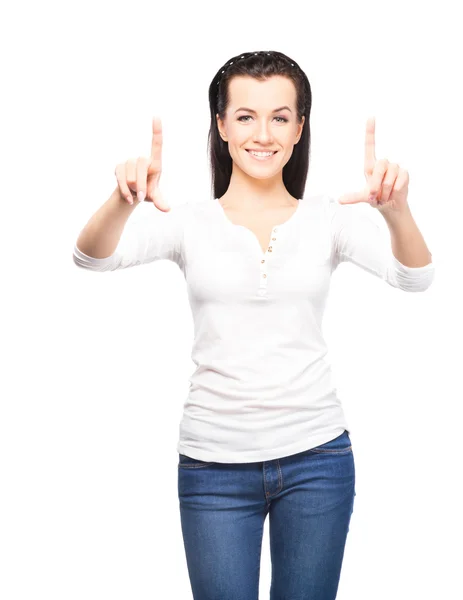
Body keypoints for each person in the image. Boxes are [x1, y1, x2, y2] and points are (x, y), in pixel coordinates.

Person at [73, 50, 434, 600]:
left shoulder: (328, 218)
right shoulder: (189, 222)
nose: (262, 133)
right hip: (213, 467)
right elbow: (92, 259)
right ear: (221, 126)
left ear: (299, 128)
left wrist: (397, 212)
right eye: (245, 116)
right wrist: (124, 200)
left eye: (280, 116)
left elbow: (414, 279)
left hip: (318, 460)